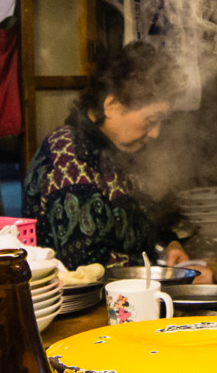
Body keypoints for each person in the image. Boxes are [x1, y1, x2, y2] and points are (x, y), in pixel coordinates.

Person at [26, 43, 193, 270]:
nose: (155, 133)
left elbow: (144, 223)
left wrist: (170, 244)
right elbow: (87, 268)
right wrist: (172, 274)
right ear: (112, 105)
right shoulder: (71, 161)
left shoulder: (116, 147)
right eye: (151, 120)